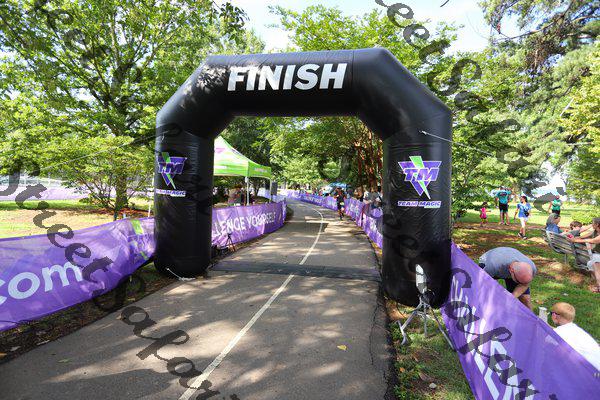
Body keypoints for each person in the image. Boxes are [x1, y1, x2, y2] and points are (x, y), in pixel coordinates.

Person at [550, 302, 600, 370]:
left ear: (554, 315)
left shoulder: (558, 332)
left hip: (588, 372)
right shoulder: (576, 330)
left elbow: (546, 339)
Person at [567, 217, 600, 293]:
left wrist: (575, 240)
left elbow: (593, 240)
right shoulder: (595, 231)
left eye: (593, 223)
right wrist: (573, 237)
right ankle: (597, 285)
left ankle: (599, 286)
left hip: (597, 256)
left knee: (595, 261)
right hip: (596, 255)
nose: (592, 225)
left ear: (597, 224)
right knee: (591, 263)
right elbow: (582, 237)